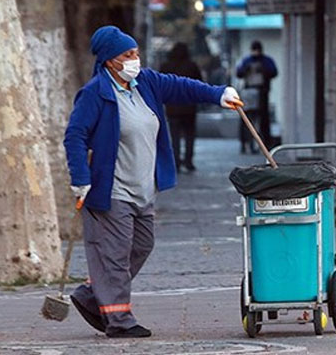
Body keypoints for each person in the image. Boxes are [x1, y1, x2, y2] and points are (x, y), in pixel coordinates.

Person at [63, 26, 243, 338]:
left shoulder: (145, 82)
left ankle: (93, 293)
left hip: (143, 188)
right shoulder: (95, 93)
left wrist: (218, 94)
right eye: (127, 55)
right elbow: (75, 136)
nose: (135, 59)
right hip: (111, 189)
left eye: (135, 53)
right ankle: (119, 321)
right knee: (116, 253)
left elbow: (183, 87)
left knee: (143, 244)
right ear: (109, 61)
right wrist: (80, 177)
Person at [159, 43, 203, 172]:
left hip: (173, 107)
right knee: (190, 135)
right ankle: (189, 161)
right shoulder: (191, 66)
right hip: (189, 107)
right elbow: (199, 83)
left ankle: (176, 161)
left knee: (175, 136)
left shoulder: (166, 66)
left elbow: (161, 85)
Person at [236, 41, 277, 151]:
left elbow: (273, 72)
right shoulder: (248, 61)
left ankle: (262, 143)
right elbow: (239, 73)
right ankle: (247, 143)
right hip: (252, 91)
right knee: (250, 119)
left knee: (261, 120)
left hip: (260, 92)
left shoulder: (264, 61)